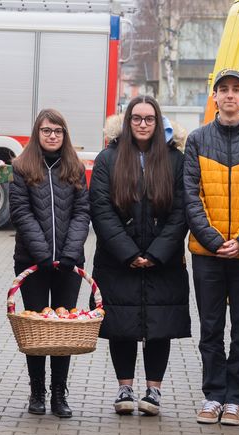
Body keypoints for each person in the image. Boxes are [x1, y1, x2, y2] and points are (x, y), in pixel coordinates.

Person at [181, 68, 239, 426]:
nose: (230, 95)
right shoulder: (198, 139)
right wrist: (213, 239)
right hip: (208, 254)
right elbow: (192, 196)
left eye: (237, 90)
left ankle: (236, 400)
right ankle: (213, 395)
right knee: (210, 327)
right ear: (215, 97)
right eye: (224, 90)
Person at [90, 95, 190, 417]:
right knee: (122, 324)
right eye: (137, 118)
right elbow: (101, 210)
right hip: (118, 261)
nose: (143, 124)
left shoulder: (175, 160)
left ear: (158, 123)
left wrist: (157, 253)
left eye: (149, 119)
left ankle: (154, 391)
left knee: (159, 325)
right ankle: (125, 387)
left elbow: (181, 212)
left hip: (164, 261)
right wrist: (129, 253)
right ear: (127, 122)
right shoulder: (109, 159)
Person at [8, 109, 91, 418]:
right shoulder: (22, 166)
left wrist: (70, 252)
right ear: (37, 133)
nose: (52, 135)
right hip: (33, 264)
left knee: (63, 331)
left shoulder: (75, 168)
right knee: (37, 329)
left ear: (64, 135)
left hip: (69, 266)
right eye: (46, 130)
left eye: (58, 131)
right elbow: (20, 211)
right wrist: (42, 253)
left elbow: (83, 212)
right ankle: (37, 392)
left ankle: (59, 394)